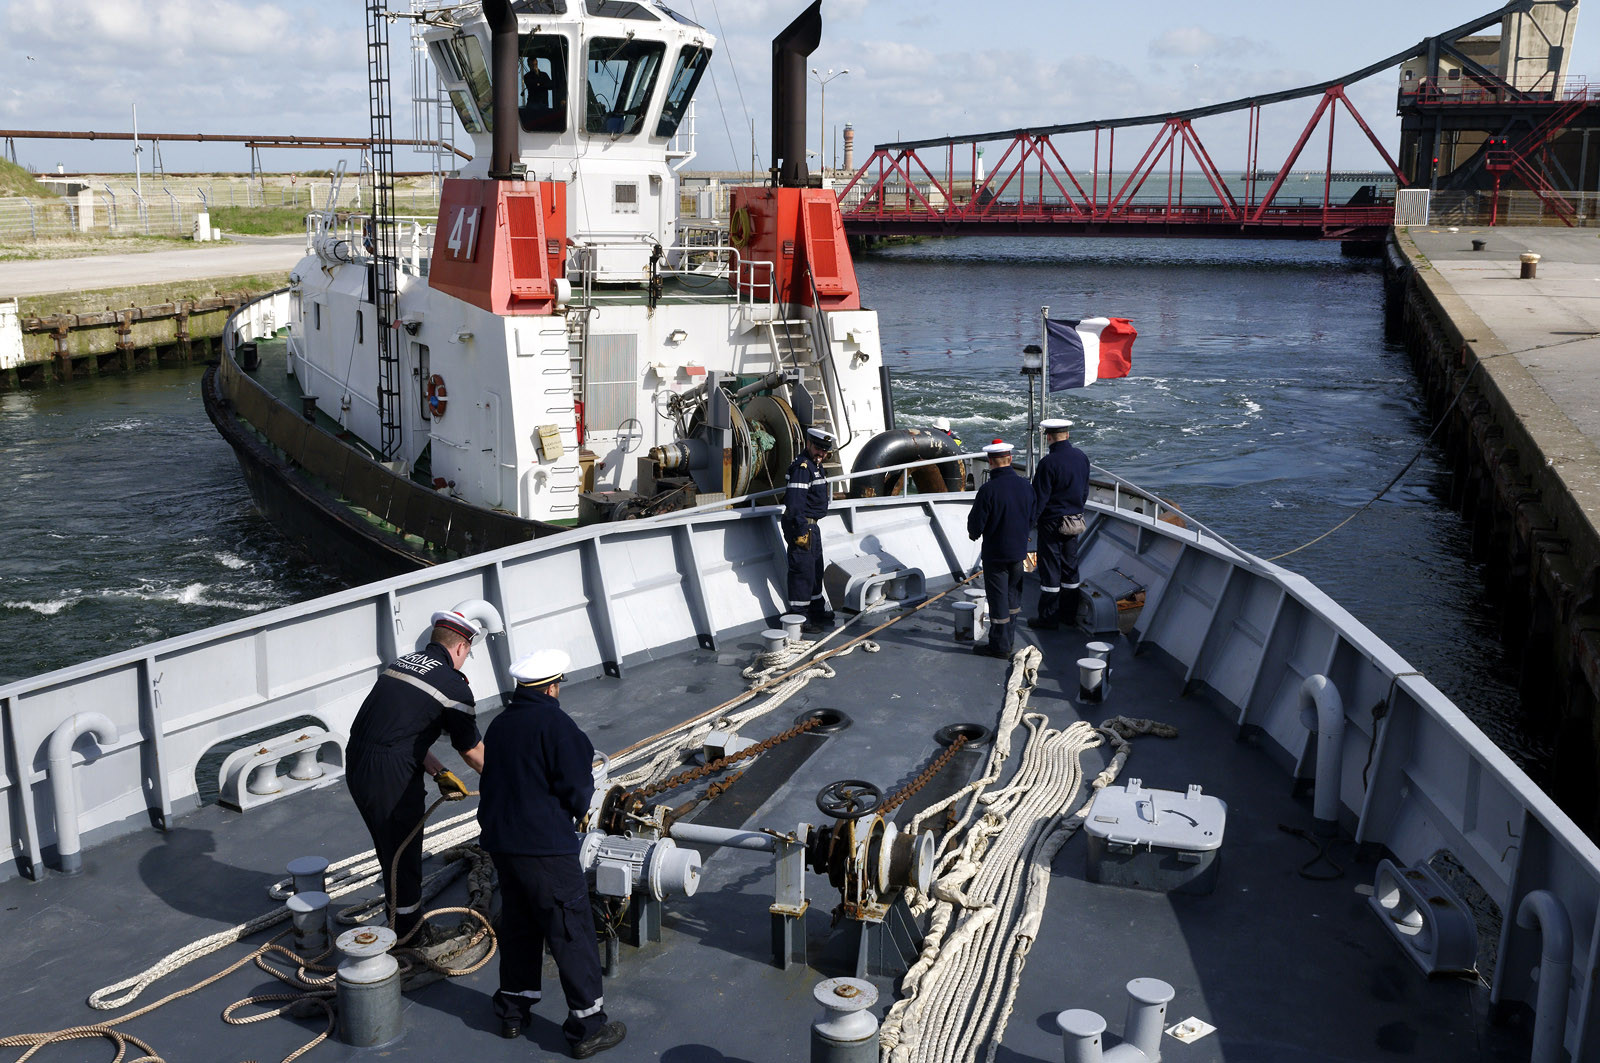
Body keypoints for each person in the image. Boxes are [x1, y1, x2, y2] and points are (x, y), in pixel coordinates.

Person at [478, 648, 626, 1059]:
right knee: (570, 929)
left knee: (519, 923)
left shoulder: (499, 724)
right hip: (544, 849)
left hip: (502, 844)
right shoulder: (558, 726)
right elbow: (578, 791)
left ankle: (512, 1011)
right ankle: (588, 1027)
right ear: (552, 687)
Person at [346, 609, 486, 945]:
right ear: (461, 648)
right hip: (389, 776)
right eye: (466, 653)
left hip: (358, 762)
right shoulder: (453, 686)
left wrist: (438, 770)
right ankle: (409, 937)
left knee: (390, 849)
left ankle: (400, 920)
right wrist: (508, 782)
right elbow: (471, 750)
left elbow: (402, 731)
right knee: (403, 855)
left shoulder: (402, 664)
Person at [966, 440, 1036, 658]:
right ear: (1010, 459)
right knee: (1013, 598)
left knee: (998, 601)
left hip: (996, 555)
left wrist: (973, 534)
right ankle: (1009, 640)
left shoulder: (988, 490)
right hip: (1018, 554)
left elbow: (976, 524)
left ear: (990, 462)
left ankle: (1000, 647)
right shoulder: (1026, 486)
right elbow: (1033, 517)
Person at [1029, 418, 1091, 630]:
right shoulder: (1081, 457)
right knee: (1070, 567)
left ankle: (1048, 618)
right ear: (1067, 435)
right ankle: (1069, 615)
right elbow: (1084, 491)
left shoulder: (1048, 463)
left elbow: (1040, 498)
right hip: (1074, 521)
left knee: (1050, 570)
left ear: (1048, 437)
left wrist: (1030, 523)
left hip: (1052, 523)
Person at [782, 426, 836, 633]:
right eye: (818, 448)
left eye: (824, 450)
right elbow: (794, 503)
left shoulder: (815, 466)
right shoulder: (802, 468)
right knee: (802, 572)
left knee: (815, 570)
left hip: (813, 527)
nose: (821, 453)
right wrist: (800, 531)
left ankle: (816, 610)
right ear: (808, 444)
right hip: (803, 526)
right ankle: (799, 618)